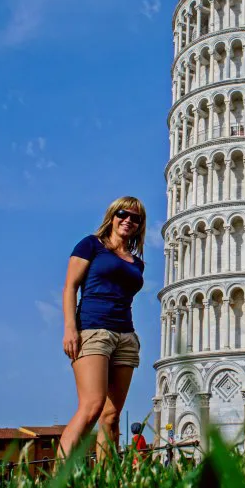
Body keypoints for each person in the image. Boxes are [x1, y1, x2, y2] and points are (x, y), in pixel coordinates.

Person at [58, 196, 147, 462]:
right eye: (123, 214)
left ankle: (107, 479)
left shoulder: (137, 262)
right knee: (92, 406)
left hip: (126, 336)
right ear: (112, 216)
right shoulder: (91, 245)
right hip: (93, 330)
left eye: (135, 218)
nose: (128, 220)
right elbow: (70, 287)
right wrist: (70, 328)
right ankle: (59, 477)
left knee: (111, 416)